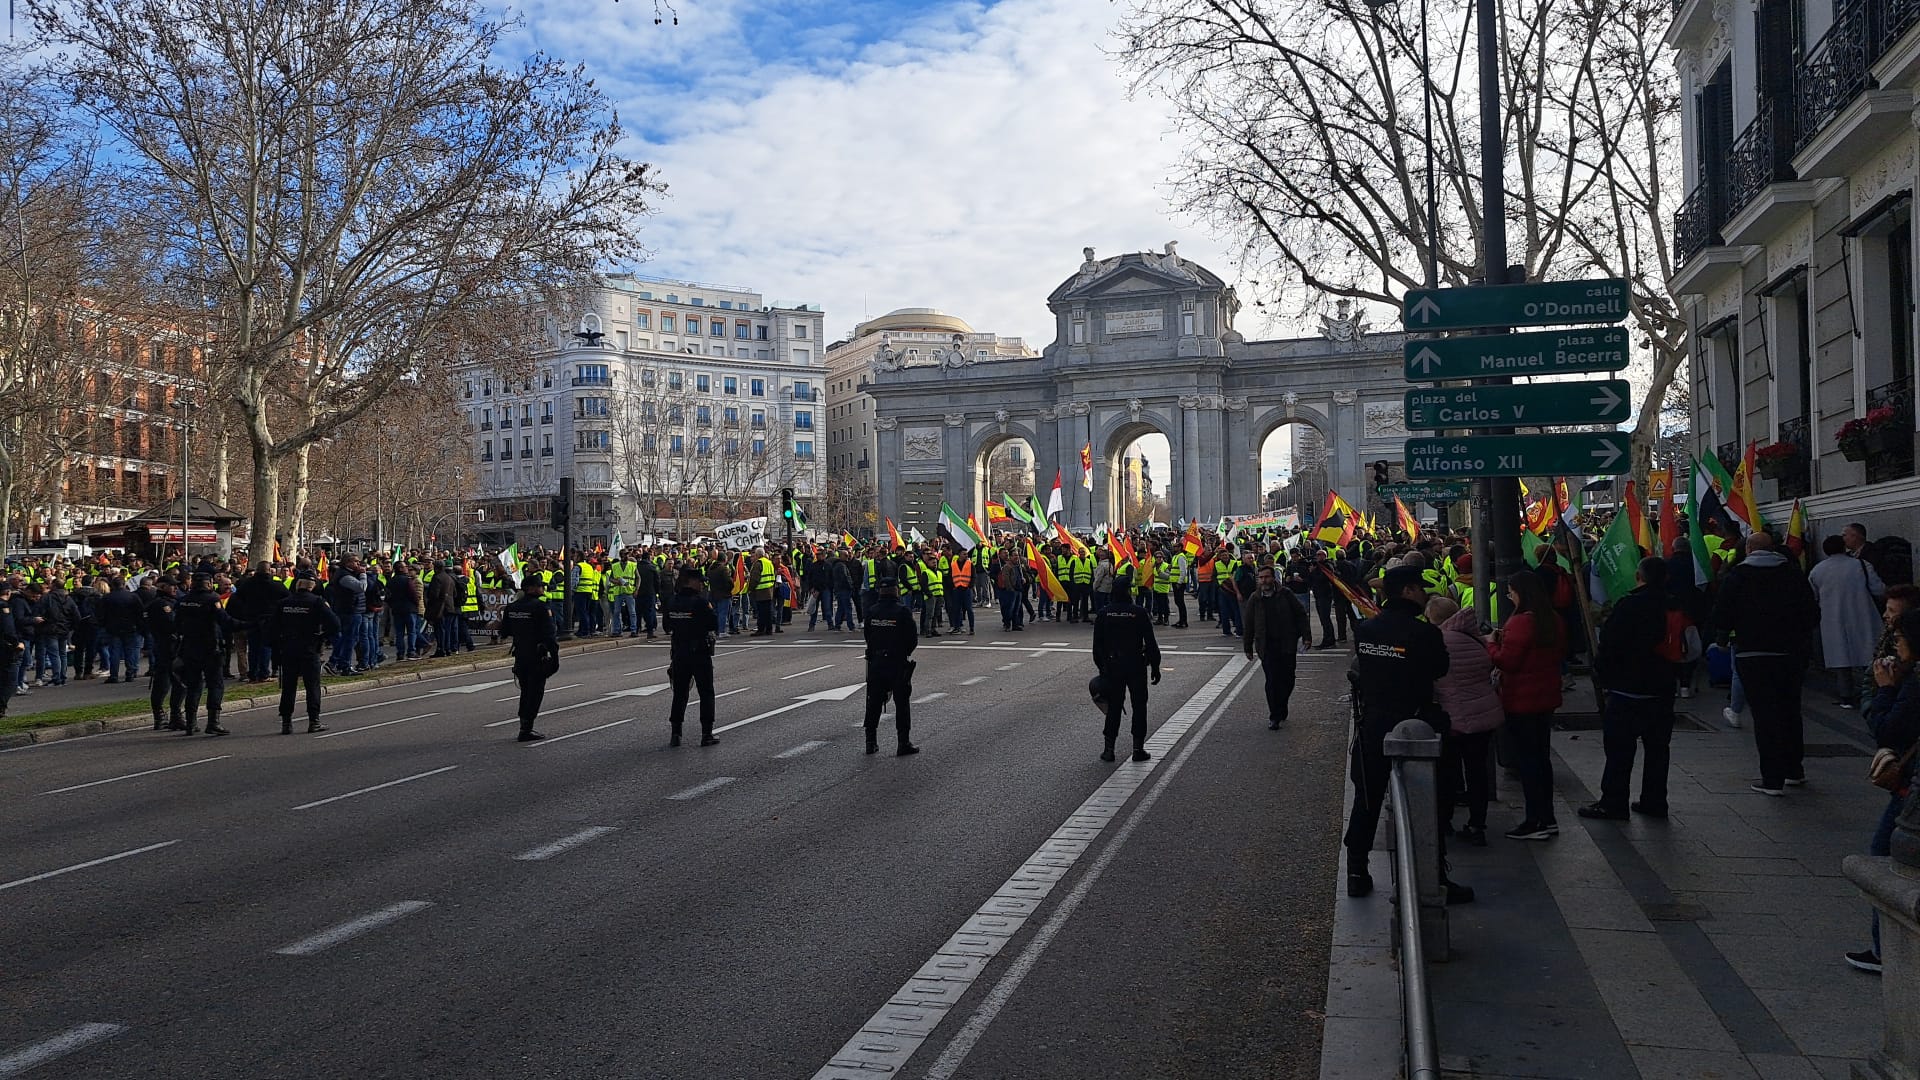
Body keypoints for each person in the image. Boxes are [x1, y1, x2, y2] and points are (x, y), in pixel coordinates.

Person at [1345, 566, 1451, 896]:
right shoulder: (1424, 633)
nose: (1424, 594)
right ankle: (1434, 877)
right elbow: (1440, 668)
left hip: (1374, 723)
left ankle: (1356, 871)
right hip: (1415, 724)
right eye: (1419, 588)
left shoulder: (1366, 629)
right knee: (1428, 798)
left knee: (1367, 798)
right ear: (1407, 591)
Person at [1713, 532, 1819, 795]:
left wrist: (1725, 637)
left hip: (1752, 653)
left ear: (1748, 549)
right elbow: (1812, 614)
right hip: (1790, 653)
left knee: (1764, 715)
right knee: (1790, 710)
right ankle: (1794, 769)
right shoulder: (1793, 575)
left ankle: (1772, 778)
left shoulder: (1737, 576)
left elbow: (1722, 615)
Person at [1580, 557, 1677, 821]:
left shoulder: (1629, 605)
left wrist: (1604, 675)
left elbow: (1610, 644)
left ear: (1639, 577)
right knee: (1658, 750)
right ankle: (1654, 801)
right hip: (1662, 691)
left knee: (1619, 751)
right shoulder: (1673, 605)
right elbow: (1688, 645)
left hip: (1628, 690)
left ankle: (1614, 802)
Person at [1851, 608, 1920, 973]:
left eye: (1900, 637)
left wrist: (1886, 690)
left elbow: (1887, 730)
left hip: (1912, 790)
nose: (1895, 641)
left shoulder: (1914, 682)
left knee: (1885, 853)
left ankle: (1885, 952)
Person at [1491, 569, 1567, 840]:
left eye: (1511, 592)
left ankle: (1535, 820)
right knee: (1541, 759)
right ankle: (1547, 817)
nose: (1509, 597)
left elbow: (1507, 661)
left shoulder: (1521, 622)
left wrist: (1491, 646)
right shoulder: (1553, 619)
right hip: (1546, 697)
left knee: (1528, 762)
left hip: (1521, 699)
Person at [1428, 596, 1503, 846]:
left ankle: (1445, 820)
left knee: (1448, 772)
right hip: (1482, 714)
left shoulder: (1439, 641)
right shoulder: (1474, 637)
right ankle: (1477, 824)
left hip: (1453, 718)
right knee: (1477, 772)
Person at [1810, 534, 1885, 709]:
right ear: (1844, 547)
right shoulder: (1861, 565)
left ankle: (1846, 697)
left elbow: (1812, 596)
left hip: (1832, 620)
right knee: (1869, 655)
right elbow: (1878, 589)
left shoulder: (1817, 570)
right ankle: (1875, 693)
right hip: (1863, 615)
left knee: (1841, 659)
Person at [1091, 579, 1161, 763]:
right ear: (1128, 592)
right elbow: (1150, 642)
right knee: (1139, 706)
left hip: (1113, 665)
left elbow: (1097, 646)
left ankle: (1109, 749)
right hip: (1135, 663)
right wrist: (1155, 666)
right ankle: (1138, 749)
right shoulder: (1139, 612)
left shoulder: (1104, 613)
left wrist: (1103, 669)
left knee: (1114, 707)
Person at [272, 570, 341, 734]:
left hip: (288, 648)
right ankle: (314, 721)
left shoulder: (283, 603)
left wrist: (278, 646)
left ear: (297, 585)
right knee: (312, 686)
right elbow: (335, 624)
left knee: (288, 687)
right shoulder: (317, 602)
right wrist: (322, 637)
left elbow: (272, 627)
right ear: (313, 586)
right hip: (309, 647)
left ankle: (286, 723)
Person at [1243, 564, 1311, 729]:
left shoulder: (1286, 594)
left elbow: (1300, 615)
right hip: (1267, 645)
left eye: (1267, 577)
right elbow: (1249, 623)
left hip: (1286, 643)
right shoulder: (1255, 598)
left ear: (1273, 578)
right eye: (1261, 578)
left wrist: (1306, 637)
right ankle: (1275, 715)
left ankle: (1282, 704)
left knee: (1288, 679)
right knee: (1272, 680)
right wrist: (1248, 646)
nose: (1264, 580)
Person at [861, 577, 920, 756]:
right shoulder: (902, 611)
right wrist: (903, 652)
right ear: (896, 590)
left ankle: (870, 741)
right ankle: (903, 742)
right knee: (901, 704)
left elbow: (867, 635)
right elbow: (912, 639)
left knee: (873, 703)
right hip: (897, 662)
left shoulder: (872, 611)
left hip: (876, 662)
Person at [663, 566, 720, 747]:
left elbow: (666, 626)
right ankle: (706, 733)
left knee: (680, 693)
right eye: (700, 582)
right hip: (699, 652)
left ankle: (676, 733)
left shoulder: (673, 601)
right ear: (691, 582)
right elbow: (713, 624)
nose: (702, 585)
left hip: (679, 652)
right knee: (706, 692)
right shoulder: (701, 603)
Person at [498, 576, 559, 742]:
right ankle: (526, 729)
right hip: (536, 655)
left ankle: (524, 726)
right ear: (530, 588)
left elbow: (505, 631)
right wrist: (555, 657)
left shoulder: (512, 607)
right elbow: (549, 635)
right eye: (540, 586)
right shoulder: (540, 607)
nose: (543, 588)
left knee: (525, 691)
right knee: (535, 692)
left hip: (520, 655)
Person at [174, 572, 235, 737]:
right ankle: (213, 722)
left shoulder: (184, 600)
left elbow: (176, 624)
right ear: (208, 584)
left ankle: (191, 723)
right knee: (216, 685)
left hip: (189, 648)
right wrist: (249, 624)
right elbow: (225, 621)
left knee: (193, 686)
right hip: (210, 648)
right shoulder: (212, 599)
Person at [145, 577, 185, 731]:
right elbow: (172, 623)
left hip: (174, 646)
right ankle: (161, 716)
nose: (175, 588)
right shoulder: (160, 604)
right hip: (165, 646)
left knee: (178, 683)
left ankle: (175, 715)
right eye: (171, 586)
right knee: (164, 683)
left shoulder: (174, 601)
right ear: (162, 587)